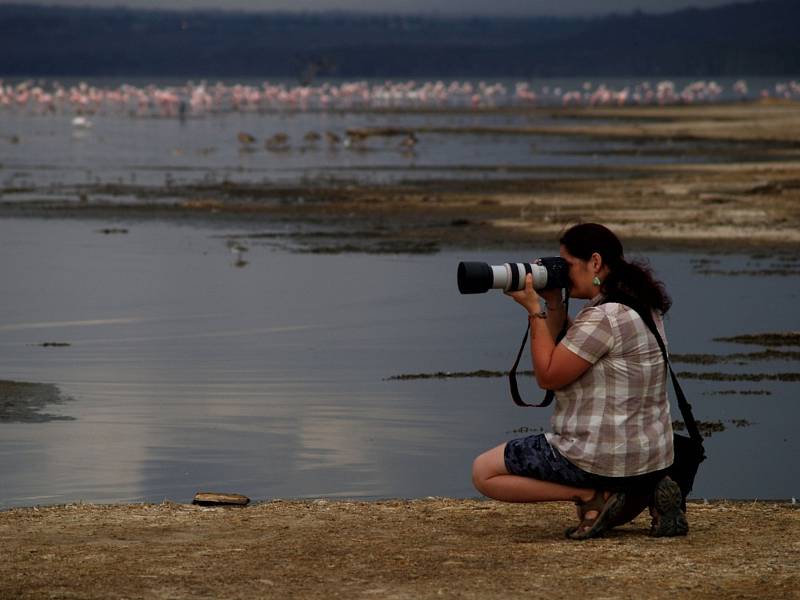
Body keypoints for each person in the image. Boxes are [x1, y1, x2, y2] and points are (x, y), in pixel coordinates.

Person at [471, 223, 688, 539]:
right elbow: (575, 348)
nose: (562, 272)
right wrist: (554, 303)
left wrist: (534, 311)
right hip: (650, 455)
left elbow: (548, 376)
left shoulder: (602, 317)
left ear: (595, 263)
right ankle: (646, 490)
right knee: (624, 483)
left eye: (568, 264)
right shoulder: (640, 304)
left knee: (484, 472)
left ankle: (592, 496)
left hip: (600, 456)